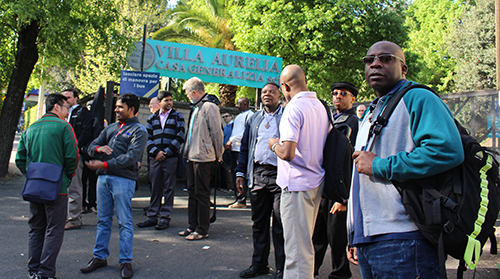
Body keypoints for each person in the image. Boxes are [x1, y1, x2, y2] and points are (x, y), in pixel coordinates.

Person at [346, 41, 464, 278]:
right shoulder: (371, 110)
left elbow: (447, 150)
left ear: (404, 68)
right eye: (369, 60)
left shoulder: (418, 97)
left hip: (406, 237)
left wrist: (379, 165)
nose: (375, 64)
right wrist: (354, 233)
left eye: (386, 58)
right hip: (369, 238)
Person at [268, 65, 329, 279]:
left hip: (296, 185)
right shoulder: (320, 106)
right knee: (304, 245)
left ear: (285, 86)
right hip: (315, 181)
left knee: (296, 252)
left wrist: (273, 144)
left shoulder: (293, 108)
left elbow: (288, 153)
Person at [80, 93, 147, 279]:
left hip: (123, 180)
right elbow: (91, 146)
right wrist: (97, 149)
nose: (116, 110)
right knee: (102, 221)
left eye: (120, 107)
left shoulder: (139, 131)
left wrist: (104, 164)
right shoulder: (111, 128)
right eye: (116, 106)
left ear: (132, 109)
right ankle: (99, 257)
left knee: (124, 222)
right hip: (103, 180)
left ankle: (125, 261)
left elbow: (131, 157)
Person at [16, 94, 79, 279]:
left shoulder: (30, 129)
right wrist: (67, 177)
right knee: (54, 230)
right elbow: (72, 156)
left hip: (35, 187)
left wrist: (32, 175)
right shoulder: (63, 126)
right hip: (57, 187)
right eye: (67, 107)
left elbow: (20, 158)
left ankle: (33, 270)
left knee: (36, 228)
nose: (68, 112)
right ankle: (46, 272)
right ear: (57, 107)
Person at [236, 83, 285, 279]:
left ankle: (282, 268)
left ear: (279, 94)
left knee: (281, 224)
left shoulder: (287, 116)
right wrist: (240, 173)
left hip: (280, 177)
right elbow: (245, 148)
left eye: (272, 92)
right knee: (259, 223)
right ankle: (259, 264)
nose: (267, 95)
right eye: (264, 92)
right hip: (257, 175)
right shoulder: (254, 118)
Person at [312, 82, 359, 278]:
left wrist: (344, 198)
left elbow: (351, 162)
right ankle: (309, 271)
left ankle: (340, 274)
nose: (337, 97)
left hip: (339, 189)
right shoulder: (333, 120)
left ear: (353, 98)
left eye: (343, 94)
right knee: (318, 235)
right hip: (325, 185)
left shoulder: (354, 123)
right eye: (334, 93)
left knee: (337, 238)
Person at [180, 77, 223, 241]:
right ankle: (192, 226)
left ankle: (202, 228)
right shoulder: (197, 107)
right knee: (192, 192)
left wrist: (218, 156)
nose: (186, 96)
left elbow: (217, 134)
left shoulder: (209, 107)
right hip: (192, 156)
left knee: (202, 193)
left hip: (204, 158)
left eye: (186, 93)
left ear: (194, 92)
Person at [137, 91, 185, 230]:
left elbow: (180, 135)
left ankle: (165, 218)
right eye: (166, 100)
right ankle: (152, 217)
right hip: (155, 159)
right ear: (159, 103)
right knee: (155, 188)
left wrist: (167, 152)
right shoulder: (152, 119)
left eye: (170, 100)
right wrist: (156, 152)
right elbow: (148, 137)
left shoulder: (178, 117)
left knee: (169, 188)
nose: (169, 102)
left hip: (170, 158)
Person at [62, 88, 93, 230]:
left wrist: (75, 146)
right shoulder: (62, 113)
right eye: (64, 98)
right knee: (64, 186)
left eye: (68, 97)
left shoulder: (83, 112)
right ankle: (66, 216)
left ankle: (74, 218)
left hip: (75, 153)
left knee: (75, 186)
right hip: (62, 153)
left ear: (76, 98)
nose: (66, 100)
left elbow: (87, 131)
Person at [227, 97, 254, 208]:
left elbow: (245, 133)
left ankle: (241, 200)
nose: (237, 106)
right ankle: (238, 198)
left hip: (241, 150)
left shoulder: (250, 115)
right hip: (234, 149)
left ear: (245, 104)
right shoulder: (239, 116)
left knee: (241, 175)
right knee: (235, 175)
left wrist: (231, 140)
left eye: (239, 104)